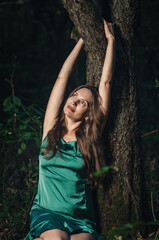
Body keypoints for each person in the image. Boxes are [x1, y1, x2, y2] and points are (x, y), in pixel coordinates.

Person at [24, 20, 115, 240]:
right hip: (47, 213)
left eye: (83, 102)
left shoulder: (90, 137)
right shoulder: (50, 128)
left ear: (88, 114)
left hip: (81, 218)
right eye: (74, 95)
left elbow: (106, 83)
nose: (74, 101)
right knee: (57, 238)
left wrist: (111, 41)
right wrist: (82, 40)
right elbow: (62, 78)